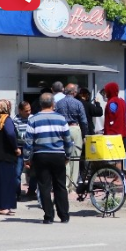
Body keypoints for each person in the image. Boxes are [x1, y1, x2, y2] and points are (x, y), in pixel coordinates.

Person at [24, 93, 74, 224]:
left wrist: (26, 158)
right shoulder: (61, 119)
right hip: (58, 155)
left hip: (41, 155)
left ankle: (49, 216)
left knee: (44, 186)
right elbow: (68, 140)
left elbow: (28, 141)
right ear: (53, 104)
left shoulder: (33, 119)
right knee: (60, 186)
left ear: (40, 104)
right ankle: (64, 215)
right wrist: (68, 155)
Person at [55, 84, 88, 189]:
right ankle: (73, 184)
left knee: (65, 157)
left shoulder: (59, 103)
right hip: (75, 128)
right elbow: (83, 121)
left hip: (62, 129)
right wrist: (85, 135)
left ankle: (65, 182)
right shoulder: (78, 103)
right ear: (74, 92)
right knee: (75, 157)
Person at [12, 101, 32, 200]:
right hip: (20, 149)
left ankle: (32, 191)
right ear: (20, 110)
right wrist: (30, 136)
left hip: (32, 149)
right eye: (26, 111)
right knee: (17, 172)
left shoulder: (32, 118)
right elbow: (18, 135)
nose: (28, 112)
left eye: (29, 110)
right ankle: (16, 193)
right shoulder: (15, 120)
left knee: (34, 172)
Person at [102, 82, 126, 150]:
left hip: (113, 134)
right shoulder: (122, 101)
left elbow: (111, 117)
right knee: (120, 156)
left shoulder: (112, 103)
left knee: (113, 157)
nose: (105, 94)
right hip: (122, 133)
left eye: (106, 91)